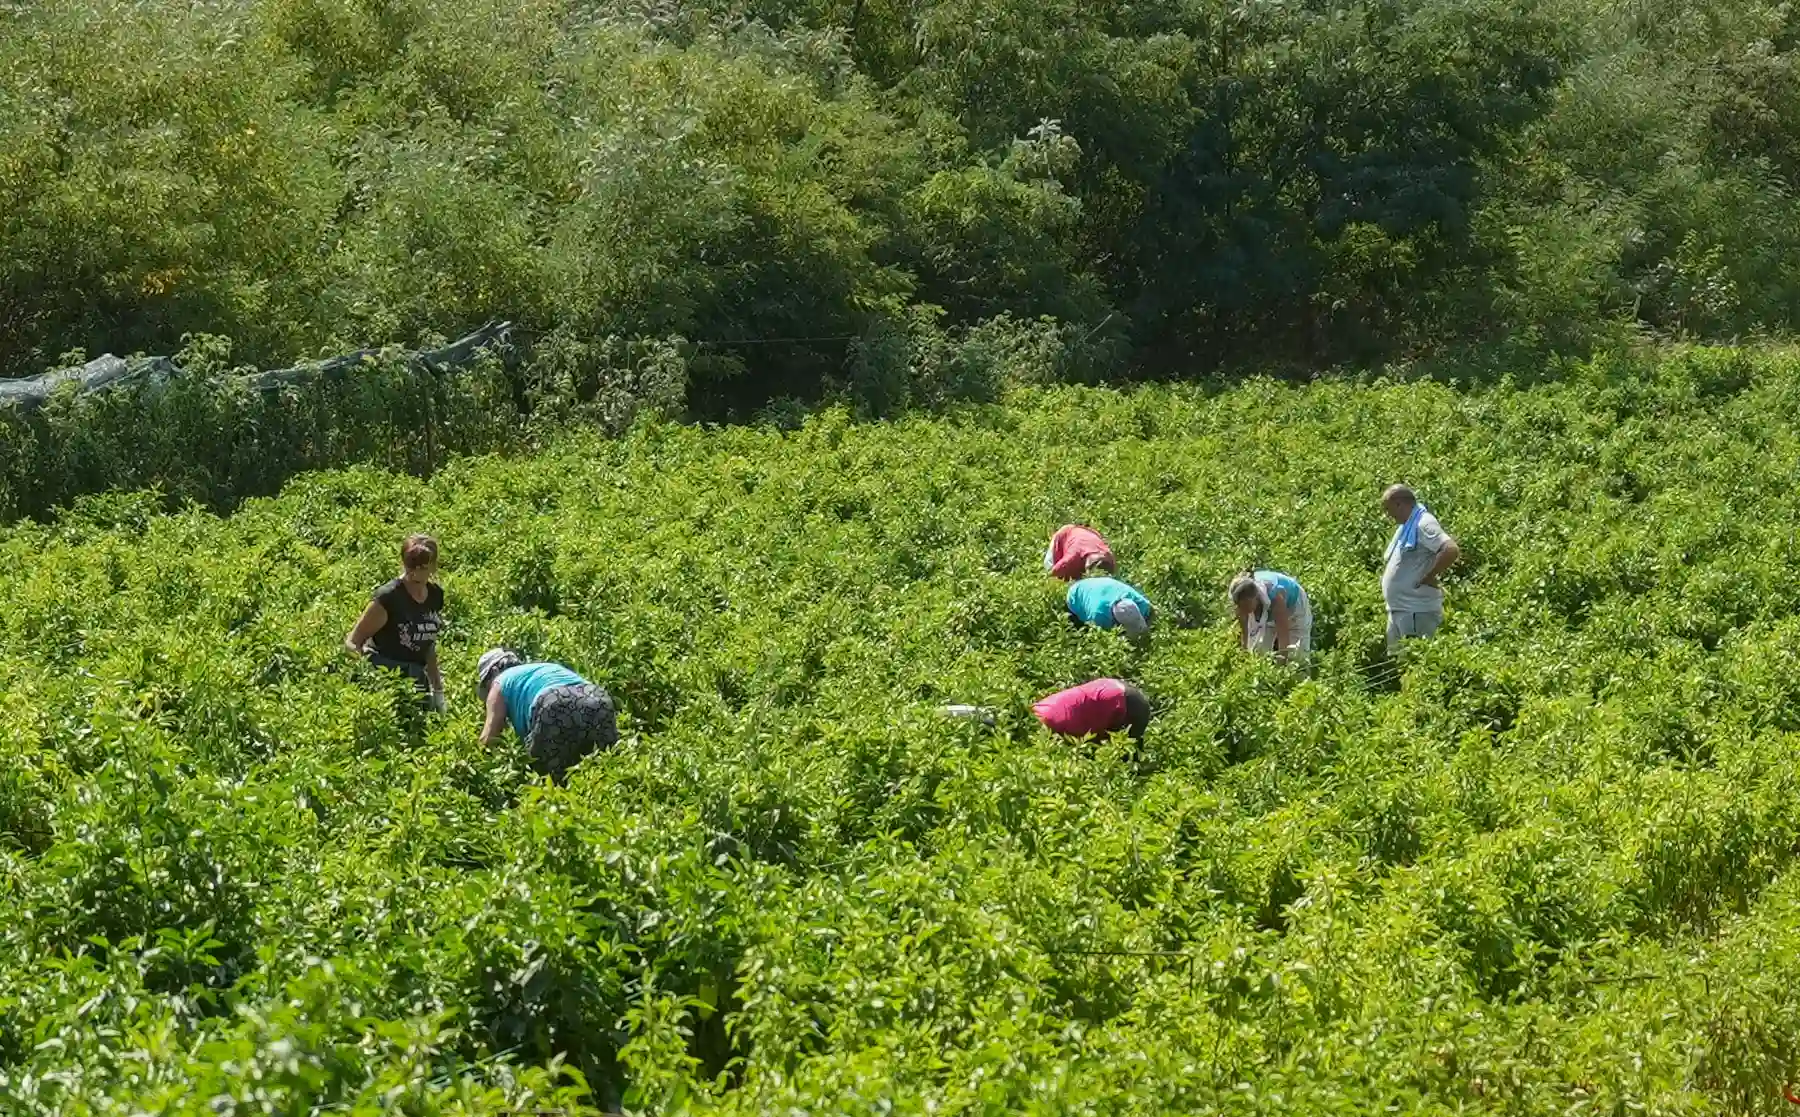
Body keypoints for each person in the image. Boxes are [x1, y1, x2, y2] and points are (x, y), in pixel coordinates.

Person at [476, 649, 619, 784]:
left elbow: (489, 736)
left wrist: (476, 765)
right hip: (598, 699)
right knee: (604, 769)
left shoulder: (499, 682)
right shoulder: (540, 668)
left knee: (546, 780)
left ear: (494, 671)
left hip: (555, 702)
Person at [345, 534, 446, 711]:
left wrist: (438, 691)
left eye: (423, 565)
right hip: (386, 676)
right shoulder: (389, 597)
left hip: (416, 679)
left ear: (433, 566)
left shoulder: (435, 596)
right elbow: (352, 642)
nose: (415, 571)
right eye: (411, 564)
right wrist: (368, 680)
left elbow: (428, 645)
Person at [1380, 484, 1461, 653]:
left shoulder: (1423, 523)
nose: (1388, 515)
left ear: (1399, 504)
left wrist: (1429, 576)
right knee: (1400, 666)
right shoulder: (1407, 527)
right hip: (1400, 611)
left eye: (1389, 509)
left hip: (1416, 611)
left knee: (1416, 661)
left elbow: (1450, 549)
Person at [1032, 678, 1151, 744]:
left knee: (1125, 754)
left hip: (1124, 702)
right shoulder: (1039, 707)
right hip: (1108, 687)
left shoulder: (1053, 724)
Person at [1230, 570, 1312, 662]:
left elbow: (1284, 638)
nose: (1243, 610)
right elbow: (1246, 636)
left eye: (1246, 605)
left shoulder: (1276, 597)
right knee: (1258, 652)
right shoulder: (1240, 599)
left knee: (1297, 656)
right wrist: (1244, 658)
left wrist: (1282, 663)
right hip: (1268, 609)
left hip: (1295, 608)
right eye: (1240, 606)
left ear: (1254, 598)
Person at [1066, 574, 1152, 636]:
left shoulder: (1140, 602)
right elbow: (1101, 638)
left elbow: (1153, 611)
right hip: (1076, 594)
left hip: (1103, 585)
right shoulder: (1098, 616)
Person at [1044, 523, 1117, 581]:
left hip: (1086, 533)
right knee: (1050, 568)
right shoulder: (1071, 558)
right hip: (1064, 534)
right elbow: (1052, 574)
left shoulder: (1108, 556)